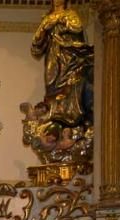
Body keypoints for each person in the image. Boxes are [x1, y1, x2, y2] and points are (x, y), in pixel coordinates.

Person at [30, 0, 92, 129]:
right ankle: (54, 109)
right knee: (51, 83)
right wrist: (44, 27)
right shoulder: (47, 18)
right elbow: (36, 47)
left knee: (71, 85)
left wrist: (59, 19)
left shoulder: (70, 13)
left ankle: (67, 112)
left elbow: (77, 27)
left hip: (69, 56)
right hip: (53, 55)